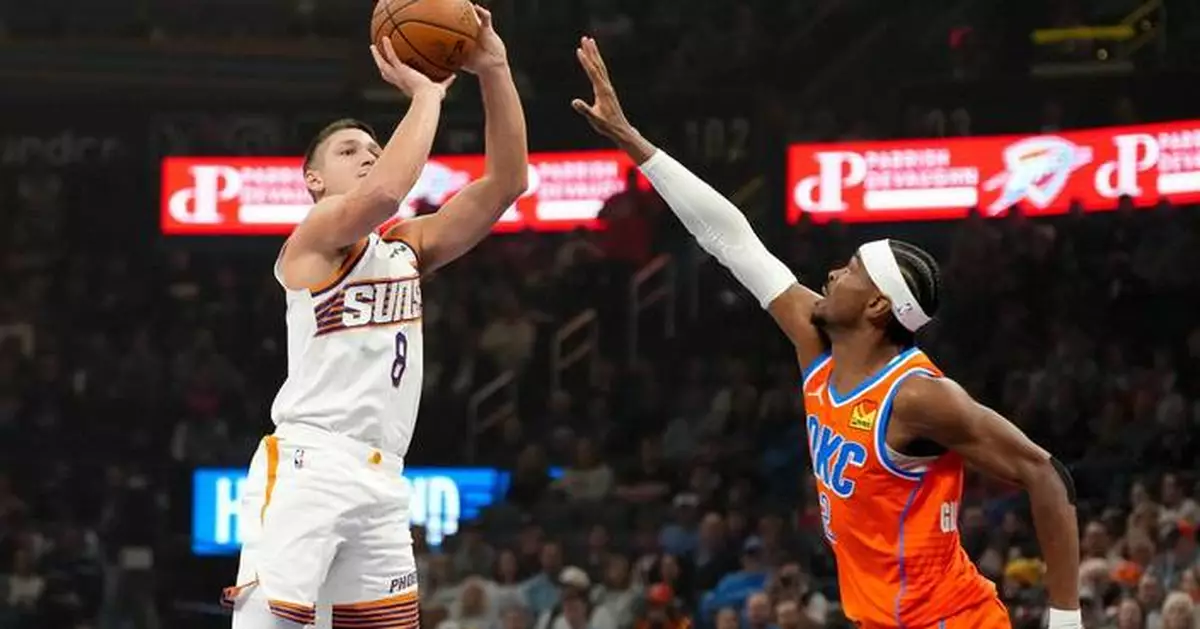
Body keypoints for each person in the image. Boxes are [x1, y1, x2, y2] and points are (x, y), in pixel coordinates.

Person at [570, 36, 1080, 629]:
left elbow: (1045, 473)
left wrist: (1065, 620)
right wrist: (636, 143)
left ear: (878, 306)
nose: (835, 273)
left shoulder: (918, 396)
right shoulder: (816, 339)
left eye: (854, 271)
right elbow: (732, 240)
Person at [222, 8, 528, 628]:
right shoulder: (310, 239)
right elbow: (386, 192)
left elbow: (507, 182)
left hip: (385, 479)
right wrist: (426, 94)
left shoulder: (406, 249)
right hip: (310, 463)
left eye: (374, 147)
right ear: (312, 179)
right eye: (348, 149)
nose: (368, 154)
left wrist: (494, 67)